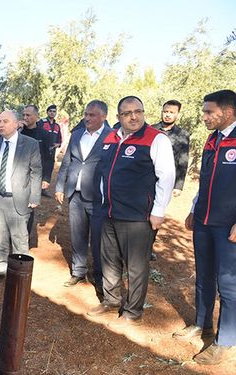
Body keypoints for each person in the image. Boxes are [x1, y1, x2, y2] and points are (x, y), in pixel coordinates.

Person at [87, 96, 175, 329]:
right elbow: (103, 171)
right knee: (109, 261)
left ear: (144, 113)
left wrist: (158, 211)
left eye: (138, 111)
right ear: (119, 117)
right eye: (127, 113)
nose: (133, 116)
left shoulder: (156, 139)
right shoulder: (110, 137)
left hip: (137, 216)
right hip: (108, 211)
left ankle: (133, 311)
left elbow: (166, 176)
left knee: (136, 266)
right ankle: (111, 300)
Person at [173, 90, 236, 365]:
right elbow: (205, 180)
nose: (204, 116)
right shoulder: (213, 140)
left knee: (229, 286)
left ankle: (225, 341)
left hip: (228, 228)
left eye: (209, 112)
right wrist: (192, 209)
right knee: (204, 278)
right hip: (203, 222)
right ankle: (202, 325)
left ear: (228, 112)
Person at [0, 110, 42, 284]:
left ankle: (20, 274)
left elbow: (36, 171)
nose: (0, 125)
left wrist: (34, 197)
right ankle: (1, 268)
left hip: (18, 199)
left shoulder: (30, 144)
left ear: (16, 124)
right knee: (0, 237)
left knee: (19, 239)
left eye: (5, 121)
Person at [55, 100, 111, 294]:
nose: (87, 118)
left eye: (92, 115)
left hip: (98, 198)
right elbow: (67, 162)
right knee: (77, 236)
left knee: (98, 240)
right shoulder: (77, 134)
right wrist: (60, 185)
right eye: (86, 114)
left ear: (103, 116)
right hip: (75, 195)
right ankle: (78, 271)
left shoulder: (111, 137)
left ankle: (99, 277)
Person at [148, 100, 190, 261]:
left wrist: (179, 185)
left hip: (166, 180)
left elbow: (183, 160)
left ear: (177, 114)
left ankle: (148, 246)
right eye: (165, 111)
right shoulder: (151, 130)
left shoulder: (182, 135)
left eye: (171, 112)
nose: (168, 114)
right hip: (148, 178)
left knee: (157, 211)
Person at [20, 105, 53, 241]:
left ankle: (25, 238)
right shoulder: (18, 133)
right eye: (24, 115)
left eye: (28, 115)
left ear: (36, 117)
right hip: (18, 175)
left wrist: (46, 178)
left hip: (34, 176)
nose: (25, 118)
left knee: (29, 208)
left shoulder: (44, 134)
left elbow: (48, 158)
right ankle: (13, 236)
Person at [40, 104, 63, 192]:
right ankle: (36, 189)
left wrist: (58, 144)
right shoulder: (42, 122)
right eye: (50, 111)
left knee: (48, 169)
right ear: (47, 112)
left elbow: (59, 138)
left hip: (52, 152)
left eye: (54, 111)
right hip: (41, 151)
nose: (52, 113)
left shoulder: (57, 126)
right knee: (40, 169)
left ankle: (44, 190)